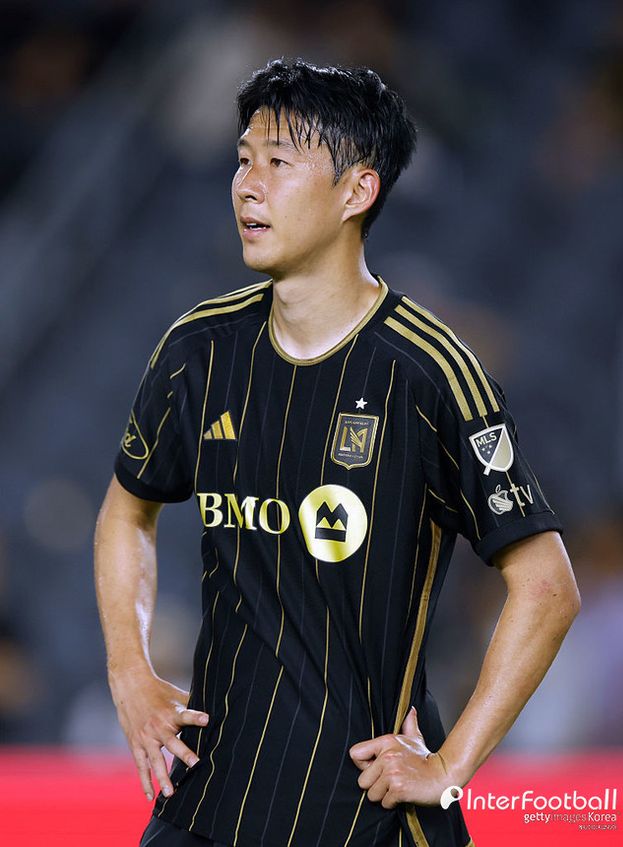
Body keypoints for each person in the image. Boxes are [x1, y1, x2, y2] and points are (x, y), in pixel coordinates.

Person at [94, 58, 581, 847]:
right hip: (206, 800)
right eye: (243, 160)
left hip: (365, 814)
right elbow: (127, 512)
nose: (247, 186)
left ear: (357, 191)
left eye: (278, 162)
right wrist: (129, 668)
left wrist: (450, 765)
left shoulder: (429, 371)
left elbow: (548, 587)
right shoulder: (197, 350)